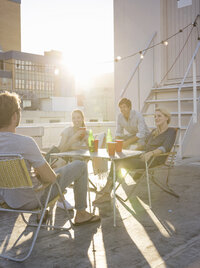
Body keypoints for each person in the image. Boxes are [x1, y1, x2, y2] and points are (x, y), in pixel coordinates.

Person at [0, 91, 100, 226]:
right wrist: (43, 174)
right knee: (80, 165)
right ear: (14, 117)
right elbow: (51, 179)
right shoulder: (26, 143)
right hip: (34, 199)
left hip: (9, 201)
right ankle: (81, 214)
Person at [93, 107, 176, 205]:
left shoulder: (171, 131)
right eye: (155, 116)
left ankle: (107, 191)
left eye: (159, 116)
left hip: (154, 159)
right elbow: (144, 145)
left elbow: (165, 147)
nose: (156, 118)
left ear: (167, 118)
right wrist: (132, 152)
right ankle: (108, 189)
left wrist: (151, 153)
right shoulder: (154, 131)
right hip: (142, 156)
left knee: (118, 162)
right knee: (118, 158)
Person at [45, 109, 88, 210]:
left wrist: (86, 142)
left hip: (78, 161)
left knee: (81, 166)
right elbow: (61, 150)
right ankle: (60, 198)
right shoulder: (67, 131)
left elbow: (88, 149)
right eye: (74, 118)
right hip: (63, 159)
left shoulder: (86, 132)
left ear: (82, 119)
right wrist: (73, 138)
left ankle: (80, 207)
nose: (76, 120)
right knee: (65, 164)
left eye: (78, 117)